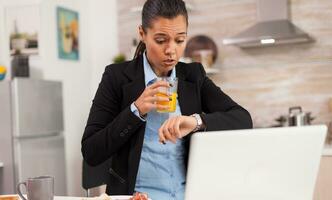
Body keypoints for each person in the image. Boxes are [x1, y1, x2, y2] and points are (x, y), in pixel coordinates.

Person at [81, 0, 252, 199]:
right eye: (161, 40)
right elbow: (91, 151)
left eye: (179, 40)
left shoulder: (193, 75)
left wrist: (196, 121)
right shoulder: (116, 77)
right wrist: (135, 110)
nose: (171, 50)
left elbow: (243, 118)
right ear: (142, 34)